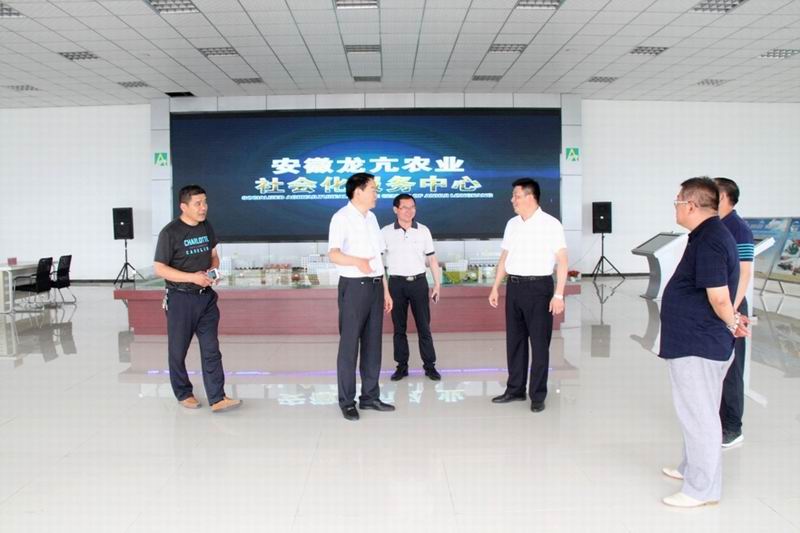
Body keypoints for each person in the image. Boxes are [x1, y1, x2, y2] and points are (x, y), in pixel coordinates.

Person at [659, 177, 748, 508]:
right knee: (696, 411)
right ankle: (690, 468)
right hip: (695, 339)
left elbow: (719, 297)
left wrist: (732, 322)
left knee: (700, 417)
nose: (676, 206)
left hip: (698, 343)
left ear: (692, 205)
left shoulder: (710, 239)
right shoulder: (706, 235)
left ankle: (702, 490)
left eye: (678, 201)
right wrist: (731, 320)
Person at [153, 185, 241, 413]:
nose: (204, 208)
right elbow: (159, 268)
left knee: (211, 349)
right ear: (184, 207)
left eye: (205, 202)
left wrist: (212, 272)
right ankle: (183, 392)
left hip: (206, 298)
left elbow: (214, 256)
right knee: (178, 351)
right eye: (198, 204)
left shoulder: (206, 226)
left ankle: (217, 397)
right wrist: (192, 277)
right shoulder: (170, 233)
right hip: (180, 299)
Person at [488, 178, 568, 413]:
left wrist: (559, 295)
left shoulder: (551, 224)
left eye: (516, 195)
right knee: (515, 341)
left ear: (530, 197)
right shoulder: (512, 224)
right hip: (514, 287)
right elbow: (505, 257)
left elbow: (563, 261)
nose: (512, 200)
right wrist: (495, 286)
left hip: (539, 289)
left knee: (540, 345)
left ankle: (538, 395)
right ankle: (515, 389)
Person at [328, 172, 395, 421]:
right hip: (354, 287)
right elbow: (334, 254)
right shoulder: (341, 218)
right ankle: (347, 401)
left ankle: (370, 396)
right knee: (349, 346)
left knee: (373, 344)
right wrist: (357, 261)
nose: (376, 194)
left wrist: (386, 290)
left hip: (376, 287)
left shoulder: (372, 218)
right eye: (373, 189)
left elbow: (378, 258)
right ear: (358, 192)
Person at [382, 194, 442, 382]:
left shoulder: (423, 230)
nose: (409, 211)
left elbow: (432, 259)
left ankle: (430, 366)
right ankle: (401, 366)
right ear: (396, 210)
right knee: (399, 328)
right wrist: (385, 291)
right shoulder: (385, 232)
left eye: (412, 207)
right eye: (405, 207)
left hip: (419, 283)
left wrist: (437, 284)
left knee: (424, 326)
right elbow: (379, 264)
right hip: (396, 284)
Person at [714, 177, 754, 448]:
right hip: (720, 306)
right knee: (719, 366)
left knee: (732, 369)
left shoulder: (738, 228)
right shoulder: (717, 226)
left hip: (732, 306)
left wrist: (733, 311)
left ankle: (732, 428)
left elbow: (745, 272)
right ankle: (719, 421)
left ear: (724, 198)